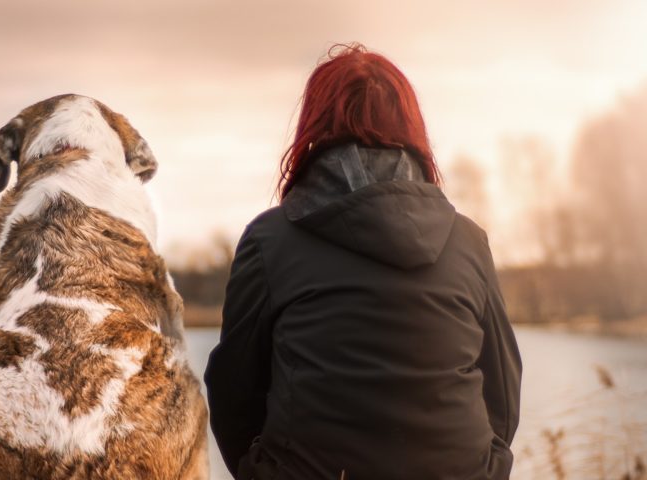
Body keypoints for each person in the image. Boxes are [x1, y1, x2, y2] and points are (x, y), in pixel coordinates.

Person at [204, 43, 522, 479]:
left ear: (314, 127)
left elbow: (233, 395)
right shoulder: (468, 241)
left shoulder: (269, 240)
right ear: (411, 127)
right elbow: (503, 395)